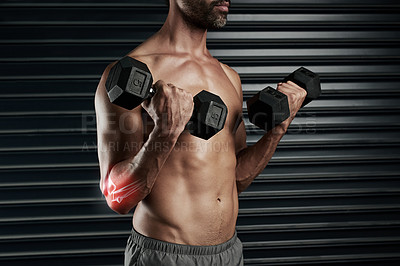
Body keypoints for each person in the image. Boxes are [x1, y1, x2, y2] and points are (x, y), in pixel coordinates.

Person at [95, 0, 306, 265]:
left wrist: (278, 129)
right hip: (165, 256)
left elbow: (237, 178)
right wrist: (165, 132)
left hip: (229, 253)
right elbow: (117, 199)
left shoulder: (229, 77)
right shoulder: (131, 73)